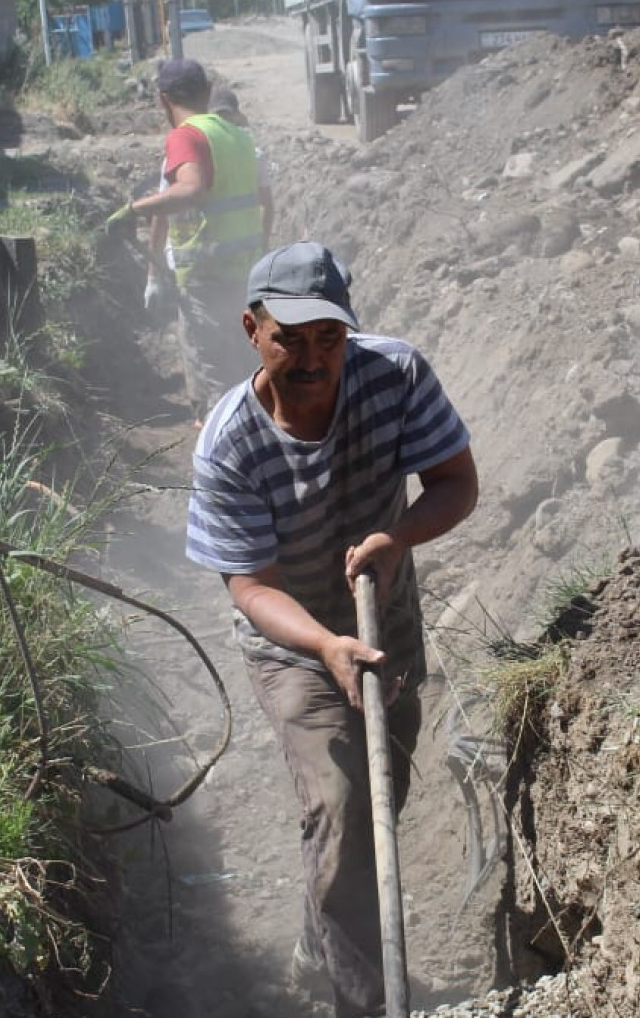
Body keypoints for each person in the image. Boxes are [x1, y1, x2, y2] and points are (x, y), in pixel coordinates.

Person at [184, 242, 479, 1017]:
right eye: (292, 339)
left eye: (330, 338)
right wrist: (323, 645)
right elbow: (250, 585)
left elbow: (455, 481)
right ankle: (367, 1005)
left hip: (387, 619)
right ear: (252, 328)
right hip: (292, 642)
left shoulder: (396, 375)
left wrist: (397, 539)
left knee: (384, 787)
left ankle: (320, 932)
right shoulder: (230, 446)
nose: (314, 359)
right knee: (345, 804)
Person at [121, 59, 275, 413]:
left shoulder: (186, 136)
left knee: (217, 382)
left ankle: (229, 459)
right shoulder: (238, 137)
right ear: (207, 94)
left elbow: (191, 190)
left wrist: (136, 209)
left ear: (163, 101)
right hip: (244, 277)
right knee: (247, 371)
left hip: (206, 279)